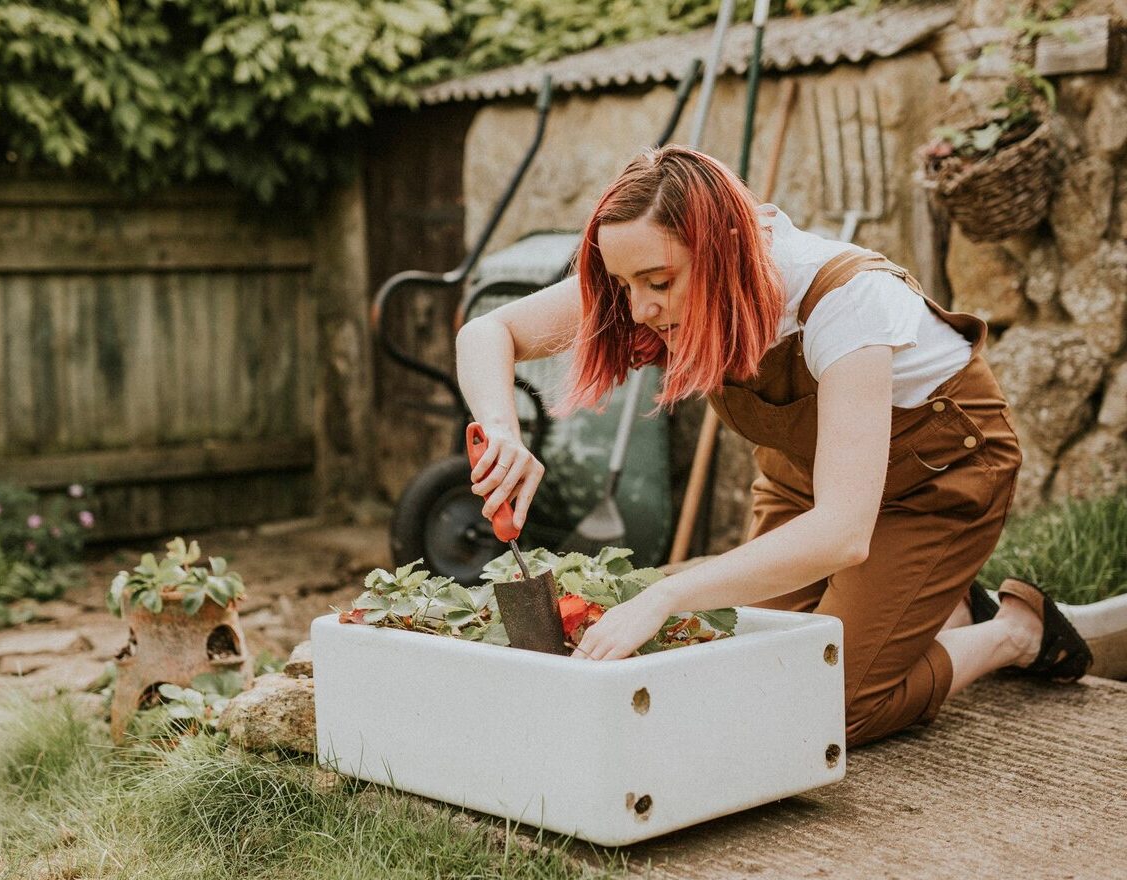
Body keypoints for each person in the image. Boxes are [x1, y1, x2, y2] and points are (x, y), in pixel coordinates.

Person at [456, 145, 1092, 746]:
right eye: (623, 285)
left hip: (936, 482)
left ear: (723, 250)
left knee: (824, 705)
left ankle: (1015, 630)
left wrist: (668, 593)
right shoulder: (652, 275)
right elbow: (488, 332)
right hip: (804, 479)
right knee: (738, 668)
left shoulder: (845, 301)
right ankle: (932, 601)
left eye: (657, 282)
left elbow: (842, 533)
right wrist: (503, 430)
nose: (639, 308)